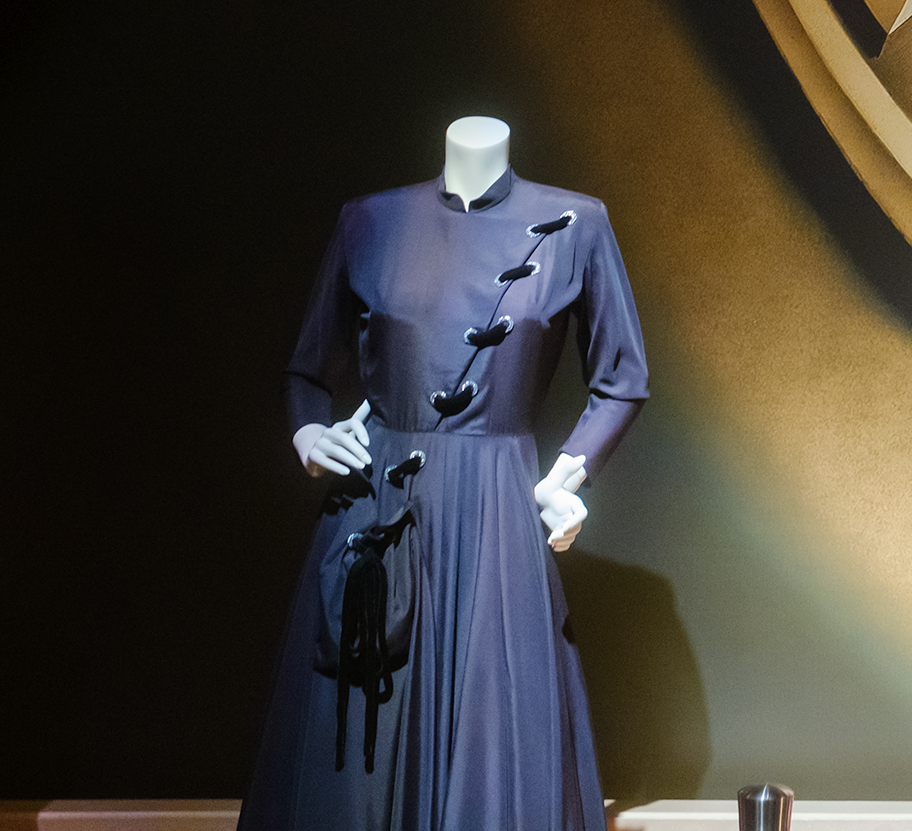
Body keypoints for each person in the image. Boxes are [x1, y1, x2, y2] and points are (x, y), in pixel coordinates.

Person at [240, 117, 648, 831]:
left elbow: (622, 377)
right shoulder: (370, 220)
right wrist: (308, 432)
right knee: (362, 743)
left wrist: (566, 477)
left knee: (490, 729)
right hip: (377, 509)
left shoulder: (576, 222)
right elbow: (305, 370)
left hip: (498, 508)